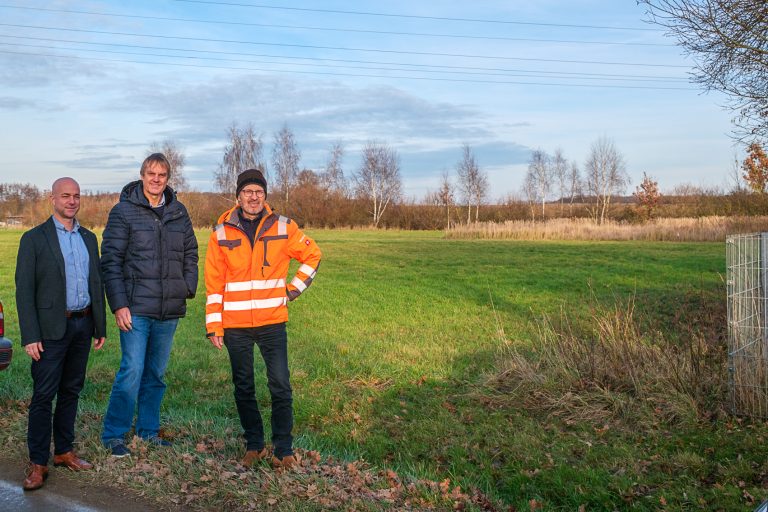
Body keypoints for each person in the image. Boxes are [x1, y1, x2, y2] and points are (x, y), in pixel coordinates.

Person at [204, 168, 321, 469]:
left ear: (265, 196)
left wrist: (293, 290)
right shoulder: (221, 232)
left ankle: (284, 449)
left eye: (258, 191)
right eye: (247, 191)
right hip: (236, 326)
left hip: (272, 322)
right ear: (238, 196)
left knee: (280, 385)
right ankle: (253, 445)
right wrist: (214, 325)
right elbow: (214, 284)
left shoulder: (284, 226)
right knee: (244, 386)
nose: (253, 197)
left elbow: (313, 256)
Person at [100, 153, 198, 457]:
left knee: (156, 373)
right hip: (136, 309)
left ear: (168, 178)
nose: (156, 180)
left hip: (168, 309)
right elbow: (111, 261)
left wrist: (186, 288)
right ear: (142, 175)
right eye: (151, 174)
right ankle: (114, 434)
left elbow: (191, 253)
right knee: (132, 370)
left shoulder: (178, 212)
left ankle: (148, 431)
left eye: (162, 175)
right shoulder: (124, 211)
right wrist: (118, 305)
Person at [15, 177, 107, 491]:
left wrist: (99, 325)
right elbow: (24, 291)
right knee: (43, 396)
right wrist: (30, 335)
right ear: (53, 199)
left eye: (76, 196)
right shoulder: (34, 239)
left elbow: (96, 283)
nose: (71, 201)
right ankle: (38, 462)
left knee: (71, 391)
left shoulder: (88, 238)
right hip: (50, 330)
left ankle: (64, 451)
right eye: (65, 196)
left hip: (82, 326)